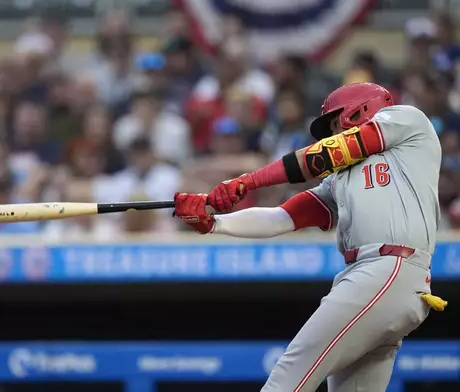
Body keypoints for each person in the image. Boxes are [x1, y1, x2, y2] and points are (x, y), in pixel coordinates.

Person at [173, 82, 447, 391]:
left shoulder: (408, 121)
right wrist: (214, 223)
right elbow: (282, 217)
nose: (331, 134)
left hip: (387, 268)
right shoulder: (340, 180)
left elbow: (325, 154)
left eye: (334, 122)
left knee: (288, 379)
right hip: (380, 280)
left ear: (359, 109)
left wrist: (246, 182)